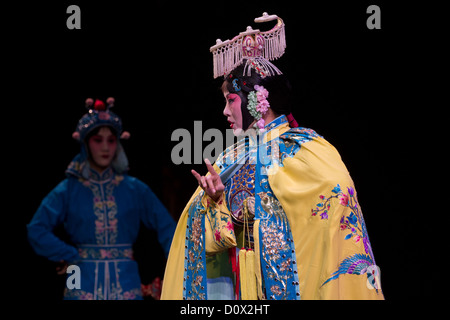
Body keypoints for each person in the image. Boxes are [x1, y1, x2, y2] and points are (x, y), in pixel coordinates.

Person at [161, 13, 384, 300]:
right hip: (243, 289)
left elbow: (331, 205)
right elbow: (214, 234)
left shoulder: (305, 148)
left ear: (257, 100)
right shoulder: (230, 158)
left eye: (231, 100)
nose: (225, 112)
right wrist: (215, 203)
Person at [27, 97, 176, 300]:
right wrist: (68, 254)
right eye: (98, 140)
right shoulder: (68, 189)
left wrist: (176, 270)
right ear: (85, 143)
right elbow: (36, 228)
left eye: (111, 140)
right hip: (77, 272)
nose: (105, 147)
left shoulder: (134, 189)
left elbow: (168, 228)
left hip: (125, 278)